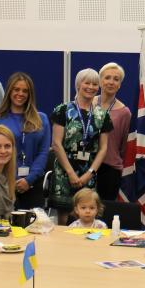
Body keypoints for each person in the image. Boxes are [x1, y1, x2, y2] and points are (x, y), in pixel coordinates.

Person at [50, 69, 113, 225]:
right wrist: (70, 173)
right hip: (65, 171)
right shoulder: (63, 110)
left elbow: (103, 148)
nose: (91, 87)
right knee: (64, 220)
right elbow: (56, 143)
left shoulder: (102, 115)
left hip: (88, 172)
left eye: (94, 84)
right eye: (87, 83)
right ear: (78, 84)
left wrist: (90, 173)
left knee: (87, 215)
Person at [0, 72, 50, 209]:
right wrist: (10, 180)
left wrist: (29, 180)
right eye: (16, 89)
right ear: (9, 91)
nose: (20, 94)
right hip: (4, 184)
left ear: (30, 94)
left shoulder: (41, 119)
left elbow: (43, 153)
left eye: (25, 91)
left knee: (34, 227)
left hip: (33, 185)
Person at [94, 62, 132, 201]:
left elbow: (123, 146)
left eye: (116, 79)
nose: (111, 82)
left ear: (120, 84)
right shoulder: (87, 104)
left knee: (105, 211)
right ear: (100, 80)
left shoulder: (124, 112)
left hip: (109, 168)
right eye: (107, 77)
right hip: (85, 164)